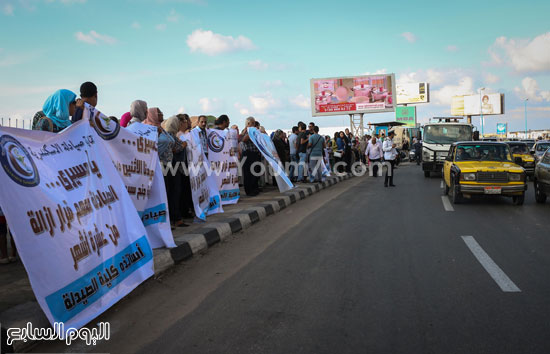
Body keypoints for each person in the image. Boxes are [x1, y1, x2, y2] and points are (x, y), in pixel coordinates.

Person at [164, 115, 189, 228]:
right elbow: (175, 149)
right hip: (171, 168)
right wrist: (183, 145)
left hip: (175, 167)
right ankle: (175, 218)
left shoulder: (171, 136)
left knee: (176, 192)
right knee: (174, 192)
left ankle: (176, 217)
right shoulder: (168, 136)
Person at [240, 117, 261, 196]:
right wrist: (250, 133)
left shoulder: (255, 131)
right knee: (248, 173)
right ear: (248, 124)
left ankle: (254, 188)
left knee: (255, 172)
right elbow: (243, 140)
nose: (254, 125)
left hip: (255, 153)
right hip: (248, 153)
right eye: (253, 123)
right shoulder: (245, 131)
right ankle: (249, 190)